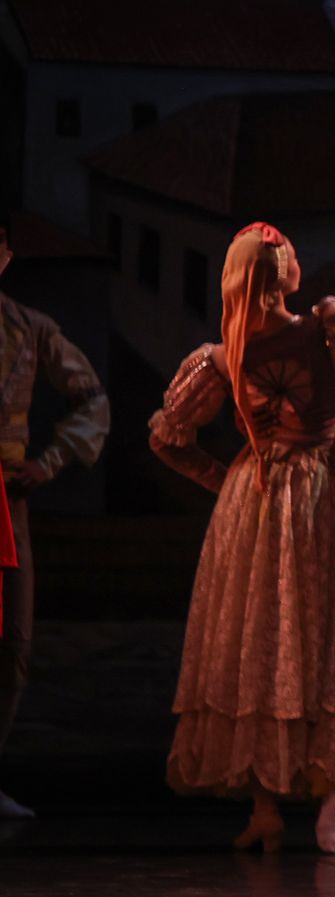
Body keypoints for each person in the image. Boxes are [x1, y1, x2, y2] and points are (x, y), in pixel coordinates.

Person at [148, 223, 335, 853]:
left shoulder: (222, 354)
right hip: (312, 498)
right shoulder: (324, 328)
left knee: (264, 638)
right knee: (333, 634)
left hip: (251, 502)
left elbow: (167, 436)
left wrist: (221, 482)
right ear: (282, 272)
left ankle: (267, 809)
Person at [0, 227, 110, 819]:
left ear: (6, 256)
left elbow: (92, 398)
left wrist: (49, 461)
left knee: (12, 641)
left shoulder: (30, 328)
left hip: (6, 501)